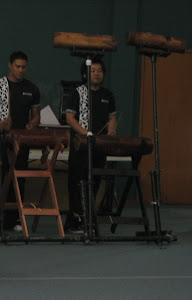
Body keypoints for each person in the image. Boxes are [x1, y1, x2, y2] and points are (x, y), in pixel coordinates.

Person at [0, 51, 41, 232]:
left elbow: (36, 115)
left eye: (24, 67)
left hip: (22, 141)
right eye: (18, 67)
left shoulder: (32, 88)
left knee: (18, 179)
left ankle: (13, 219)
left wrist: (33, 124)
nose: (21, 70)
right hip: (1, 139)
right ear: (10, 65)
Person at [63, 59, 117, 233]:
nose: (97, 73)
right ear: (85, 74)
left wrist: (110, 132)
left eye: (100, 70)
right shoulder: (77, 93)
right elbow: (70, 118)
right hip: (81, 146)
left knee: (94, 181)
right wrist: (85, 133)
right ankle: (73, 221)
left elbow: (112, 118)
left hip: (100, 146)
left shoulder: (108, 95)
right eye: (93, 70)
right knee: (77, 182)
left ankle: (88, 219)